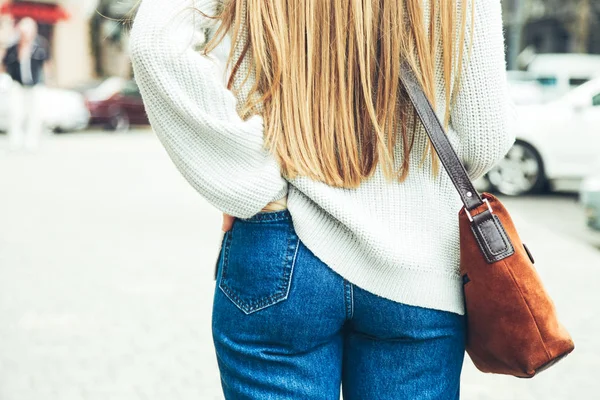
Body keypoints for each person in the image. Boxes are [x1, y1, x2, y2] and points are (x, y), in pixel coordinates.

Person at [130, 0, 516, 398]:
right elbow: (484, 137)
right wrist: (412, 180)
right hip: (418, 260)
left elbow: (155, 43)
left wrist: (248, 179)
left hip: (280, 243)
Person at [2, 17, 49, 151]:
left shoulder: (40, 45)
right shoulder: (12, 48)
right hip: (17, 84)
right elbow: (4, 65)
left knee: (35, 114)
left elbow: (46, 64)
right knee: (16, 113)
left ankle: (31, 140)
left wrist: (47, 81)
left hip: (35, 84)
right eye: (23, 31)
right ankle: (16, 140)